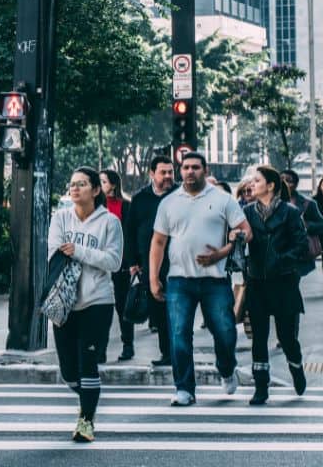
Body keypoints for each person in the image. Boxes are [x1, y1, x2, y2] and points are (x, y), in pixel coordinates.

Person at [149, 152, 252, 406]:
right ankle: (184, 388)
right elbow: (158, 242)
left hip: (214, 280)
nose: (190, 171)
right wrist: (153, 277)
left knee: (226, 332)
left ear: (205, 170)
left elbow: (246, 232)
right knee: (179, 334)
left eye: (196, 167)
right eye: (185, 167)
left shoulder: (223, 199)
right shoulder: (169, 203)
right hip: (179, 281)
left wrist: (223, 252)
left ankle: (227, 369)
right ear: (180, 171)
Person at [48, 166, 123, 442]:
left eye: (81, 184)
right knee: (69, 371)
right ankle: (89, 397)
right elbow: (54, 252)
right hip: (64, 301)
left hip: (97, 301)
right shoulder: (60, 218)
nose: (75, 188)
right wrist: (82, 254)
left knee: (88, 362)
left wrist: (78, 251)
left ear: (95, 190)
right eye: (72, 184)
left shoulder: (109, 222)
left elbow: (113, 261)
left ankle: (86, 421)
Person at [239, 166, 309, 405]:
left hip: (284, 281)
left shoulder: (290, 212)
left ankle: (296, 367)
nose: (252, 184)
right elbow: (240, 241)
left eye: (257, 180)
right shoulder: (246, 212)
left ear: (270, 185)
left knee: (287, 336)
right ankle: (261, 386)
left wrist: (281, 260)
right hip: (257, 281)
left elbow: (301, 245)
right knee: (259, 336)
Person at [125, 156, 176, 366]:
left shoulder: (179, 195)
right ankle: (167, 353)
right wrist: (132, 261)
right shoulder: (140, 199)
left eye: (170, 172)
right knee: (159, 311)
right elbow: (130, 231)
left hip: (177, 262)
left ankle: (178, 353)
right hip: (150, 264)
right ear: (152, 174)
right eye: (163, 172)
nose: (167, 176)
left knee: (178, 312)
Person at [98, 169, 132, 362]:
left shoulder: (126, 206)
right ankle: (100, 349)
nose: (100, 185)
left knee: (122, 305)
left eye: (103, 181)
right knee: (101, 306)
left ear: (112, 184)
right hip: (99, 262)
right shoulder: (96, 206)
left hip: (121, 263)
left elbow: (129, 236)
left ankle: (128, 344)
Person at [280, 169, 323, 277]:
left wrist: (307, 225)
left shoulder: (308, 203)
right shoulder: (271, 202)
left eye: (288, 180)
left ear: (295, 185)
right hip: (278, 253)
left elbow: (322, 225)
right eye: (281, 180)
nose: (285, 183)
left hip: (299, 253)